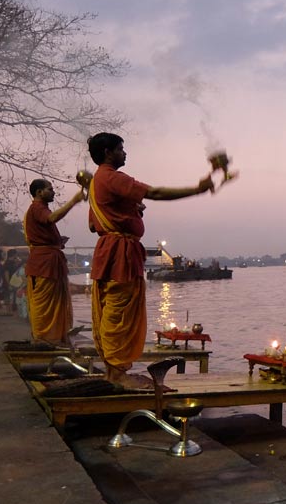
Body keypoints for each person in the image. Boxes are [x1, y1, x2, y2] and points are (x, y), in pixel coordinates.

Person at [86, 132, 236, 389]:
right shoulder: (111, 177)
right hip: (119, 253)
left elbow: (93, 225)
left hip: (111, 251)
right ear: (108, 152)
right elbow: (154, 192)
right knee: (118, 313)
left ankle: (114, 371)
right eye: (121, 149)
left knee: (114, 311)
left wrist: (131, 210)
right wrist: (196, 190)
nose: (125, 153)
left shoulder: (98, 181)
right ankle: (118, 374)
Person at [24, 179, 85, 345]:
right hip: (43, 263)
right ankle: (43, 338)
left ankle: (55, 337)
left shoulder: (39, 209)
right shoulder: (37, 208)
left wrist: (57, 241)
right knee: (43, 304)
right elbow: (51, 218)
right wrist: (73, 201)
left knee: (55, 301)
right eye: (50, 189)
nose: (53, 192)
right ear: (39, 192)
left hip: (50, 259)